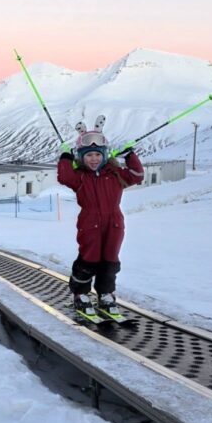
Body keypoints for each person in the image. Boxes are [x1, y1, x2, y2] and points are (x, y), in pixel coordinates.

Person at [57, 116, 144, 319]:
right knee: (89, 259)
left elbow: (137, 176)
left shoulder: (115, 173)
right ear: (81, 157)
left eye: (97, 154)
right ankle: (80, 294)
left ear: (105, 155)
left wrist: (129, 155)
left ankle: (106, 293)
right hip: (89, 223)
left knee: (110, 260)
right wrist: (65, 157)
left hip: (114, 223)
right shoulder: (80, 177)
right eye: (89, 155)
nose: (94, 159)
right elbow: (64, 176)